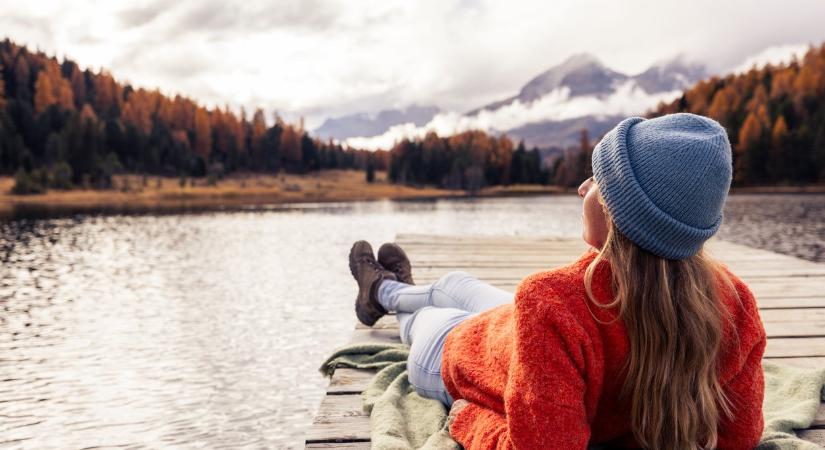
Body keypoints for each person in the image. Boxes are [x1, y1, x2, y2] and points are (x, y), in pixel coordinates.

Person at [348, 113, 766, 450]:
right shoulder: (736, 303)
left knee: (431, 318)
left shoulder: (552, 301)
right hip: (517, 333)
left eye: (598, 180)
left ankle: (385, 294)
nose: (583, 186)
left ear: (623, 214)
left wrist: (468, 419)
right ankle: (386, 289)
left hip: (453, 356)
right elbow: (741, 437)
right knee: (456, 284)